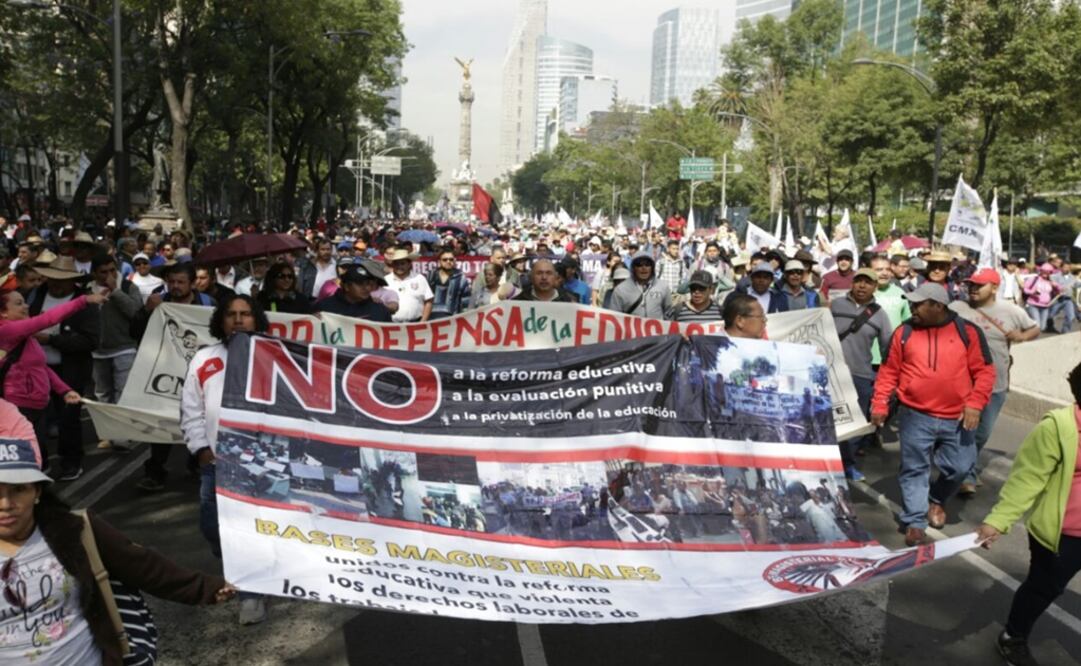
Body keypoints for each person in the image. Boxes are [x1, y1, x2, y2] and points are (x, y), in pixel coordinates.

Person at [0, 416, 237, 663]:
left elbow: (144, 566)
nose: (6, 504)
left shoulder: (75, 530)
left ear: (37, 492)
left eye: (19, 489)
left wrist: (210, 588)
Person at [870, 282, 996, 546]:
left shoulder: (968, 332)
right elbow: (889, 371)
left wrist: (975, 404)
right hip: (915, 415)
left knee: (961, 468)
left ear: (938, 306)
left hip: (958, 418)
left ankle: (937, 499)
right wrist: (880, 403)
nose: (912, 309)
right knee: (914, 469)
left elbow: (985, 371)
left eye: (918, 304)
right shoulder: (903, 332)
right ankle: (915, 521)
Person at [977, 361, 1081, 666]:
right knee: (1044, 587)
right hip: (1064, 533)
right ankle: (1013, 636)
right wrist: (998, 521)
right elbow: (1027, 479)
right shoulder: (1058, 427)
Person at [183, 295, 269, 626]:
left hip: (258, 463)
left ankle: (250, 592)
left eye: (245, 314)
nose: (238, 320)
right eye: (231, 314)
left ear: (256, 320)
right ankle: (240, 565)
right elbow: (191, 408)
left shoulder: (274, 358)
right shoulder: (204, 358)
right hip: (216, 463)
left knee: (250, 529)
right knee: (212, 527)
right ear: (221, 321)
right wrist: (201, 449)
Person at [949, 268, 1040, 496]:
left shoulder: (1010, 311)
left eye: (979, 285)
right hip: (963, 383)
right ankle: (965, 474)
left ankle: (966, 466)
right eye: (971, 285)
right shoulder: (956, 308)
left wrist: (1021, 336)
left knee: (982, 433)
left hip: (996, 383)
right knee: (966, 430)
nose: (973, 289)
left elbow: (1034, 327)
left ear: (995, 288)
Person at [0, 285, 105, 476]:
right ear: (3, 313)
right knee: (28, 459)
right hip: (19, 406)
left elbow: (41, 367)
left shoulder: (24, 336)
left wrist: (64, 390)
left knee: (36, 456)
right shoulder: (7, 331)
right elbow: (47, 319)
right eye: (19, 304)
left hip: (37, 406)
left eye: (24, 302)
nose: (26, 307)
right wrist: (84, 300)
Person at [132, 263, 214, 492]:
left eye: (181, 282)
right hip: (164, 373)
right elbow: (135, 332)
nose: (176, 287)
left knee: (200, 420)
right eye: (172, 282)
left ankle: (196, 465)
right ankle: (155, 471)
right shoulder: (158, 302)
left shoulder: (208, 304)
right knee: (161, 422)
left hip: (199, 373)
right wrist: (146, 311)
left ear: (192, 283)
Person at [28, 256, 101, 482]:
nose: (55, 285)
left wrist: (52, 339)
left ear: (73, 281)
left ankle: (71, 462)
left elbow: (91, 341)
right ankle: (41, 461)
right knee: (35, 418)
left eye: (61, 280)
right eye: (51, 279)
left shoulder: (84, 302)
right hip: (37, 368)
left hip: (70, 369)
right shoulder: (37, 295)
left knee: (68, 417)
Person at [830, 268, 894, 481]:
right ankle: (827, 461)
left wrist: (888, 378)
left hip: (861, 376)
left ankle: (848, 465)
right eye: (859, 281)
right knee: (827, 419)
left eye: (868, 282)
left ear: (875, 287)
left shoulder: (879, 314)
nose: (862, 286)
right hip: (830, 372)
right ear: (852, 283)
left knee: (855, 424)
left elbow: (888, 348)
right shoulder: (835, 305)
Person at [89, 254, 142, 453]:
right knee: (103, 393)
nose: (109, 275)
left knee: (123, 393)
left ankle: (121, 436)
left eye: (112, 270)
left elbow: (136, 312)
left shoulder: (129, 287)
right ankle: (107, 434)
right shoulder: (87, 289)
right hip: (97, 351)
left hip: (124, 347)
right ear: (94, 273)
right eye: (103, 272)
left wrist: (116, 291)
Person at [313, 262, 393, 320]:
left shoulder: (380, 310)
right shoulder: (324, 307)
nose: (366, 288)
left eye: (367, 283)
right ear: (347, 286)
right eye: (360, 284)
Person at [608, 252, 670, 319]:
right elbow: (614, 317)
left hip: (657, 329)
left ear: (652, 267)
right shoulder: (620, 290)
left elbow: (669, 313)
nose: (644, 268)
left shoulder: (663, 286)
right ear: (633, 268)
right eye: (639, 265)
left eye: (647, 264)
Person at [384, 248, 433, 323]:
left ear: (409, 264)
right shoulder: (385, 280)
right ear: (393, 265)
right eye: (396, 264)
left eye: (402, 263)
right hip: (391, 325)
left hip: (416, 325)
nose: (399, 266)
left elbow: (428, 301)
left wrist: (423, 321)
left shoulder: (420, 278)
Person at [427, 250, 470, 319]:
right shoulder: (431, 275)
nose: (448, 262)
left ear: (455, 261)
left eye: (451, 259)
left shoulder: (461, 277)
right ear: (439, 262)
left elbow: (466, 300)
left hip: (452, 320)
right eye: (445, 259)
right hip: (432, 318)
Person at [1022, 263, 1061, 333]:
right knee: (1038, 325)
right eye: (1044, 271)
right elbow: (1025, 289)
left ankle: (1027, 327)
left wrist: (1056, 286)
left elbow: (1059, 292)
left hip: (1045, 306)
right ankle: (1028, 335)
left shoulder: (1050, 282)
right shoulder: (1034, 279)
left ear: (1050, 273)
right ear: (1041, 271)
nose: (1045, 273)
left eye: (1048, 272)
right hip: (1033, 305)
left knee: (1042, 327)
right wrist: (1032, 292)